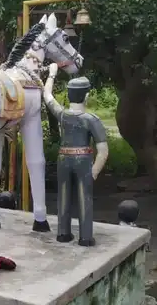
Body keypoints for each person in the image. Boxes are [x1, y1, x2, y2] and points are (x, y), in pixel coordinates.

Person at [43, 63, 109, 246]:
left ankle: (63, 233)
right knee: (84, 197)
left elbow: (47, 96)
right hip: (83, 160)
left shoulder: (63, 115)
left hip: (63, 158)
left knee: (63, 195)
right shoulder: (91, 120)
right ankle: (85, 236)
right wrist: (94, 172)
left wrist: (52, 74)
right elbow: (103, 150)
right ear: (86, 96)